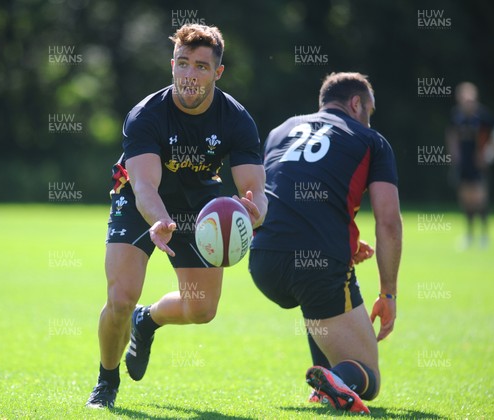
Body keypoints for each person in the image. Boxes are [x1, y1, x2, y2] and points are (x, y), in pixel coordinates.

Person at [85, 24, 267, 409]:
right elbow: (145, 187)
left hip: (199, 203)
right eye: (183, 64)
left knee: (201, 309)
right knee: (119, 296)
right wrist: (159, 221)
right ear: (172, 65)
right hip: (139, 201)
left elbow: (256, 192)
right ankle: (106, 381)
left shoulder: (237, 120)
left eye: (201, 67)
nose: (189, 75)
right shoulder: (146, 115)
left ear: (217, 73)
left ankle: (147, 320)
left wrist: (254, 214)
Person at [249, 72, 402, 414]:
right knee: (370, 377)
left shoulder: (281, 131)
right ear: (356, 103)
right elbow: (388, 222)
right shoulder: (370, 140)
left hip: (263, 261)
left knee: (316, 299)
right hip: (317, 267)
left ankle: (327, 387)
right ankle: (341, 378)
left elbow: (284, 194)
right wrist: (388, 293)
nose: (368, 119)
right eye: (369, 110)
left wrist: (347, 240)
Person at [446, 82, 494, 248]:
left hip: (478, 162)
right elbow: (451, 135)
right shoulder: (457, 116)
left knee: (480, 198)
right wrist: (454, 155)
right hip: (464, 163)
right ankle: (469, 235)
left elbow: (492, 137)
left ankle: (484, 236)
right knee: (466, 199)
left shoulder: (483, 116)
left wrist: (487, 155)